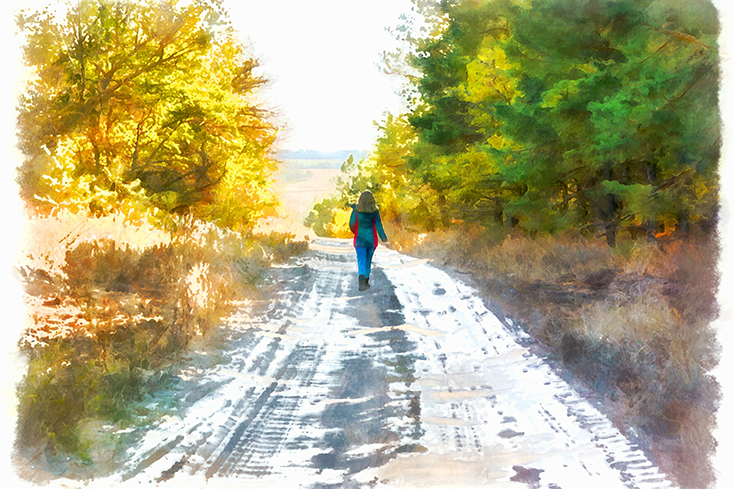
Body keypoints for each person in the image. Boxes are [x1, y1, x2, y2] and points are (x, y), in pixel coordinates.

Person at [349, 191, 389, 291]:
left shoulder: (356, 210)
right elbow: (379, 226)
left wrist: (356, 232)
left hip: (359, 240)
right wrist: (385, 239)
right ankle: (366, 282)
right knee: (368, 260)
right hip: (371, 240)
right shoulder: (375, 212)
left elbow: (352, 224)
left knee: (361, 260)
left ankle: (362, 282)